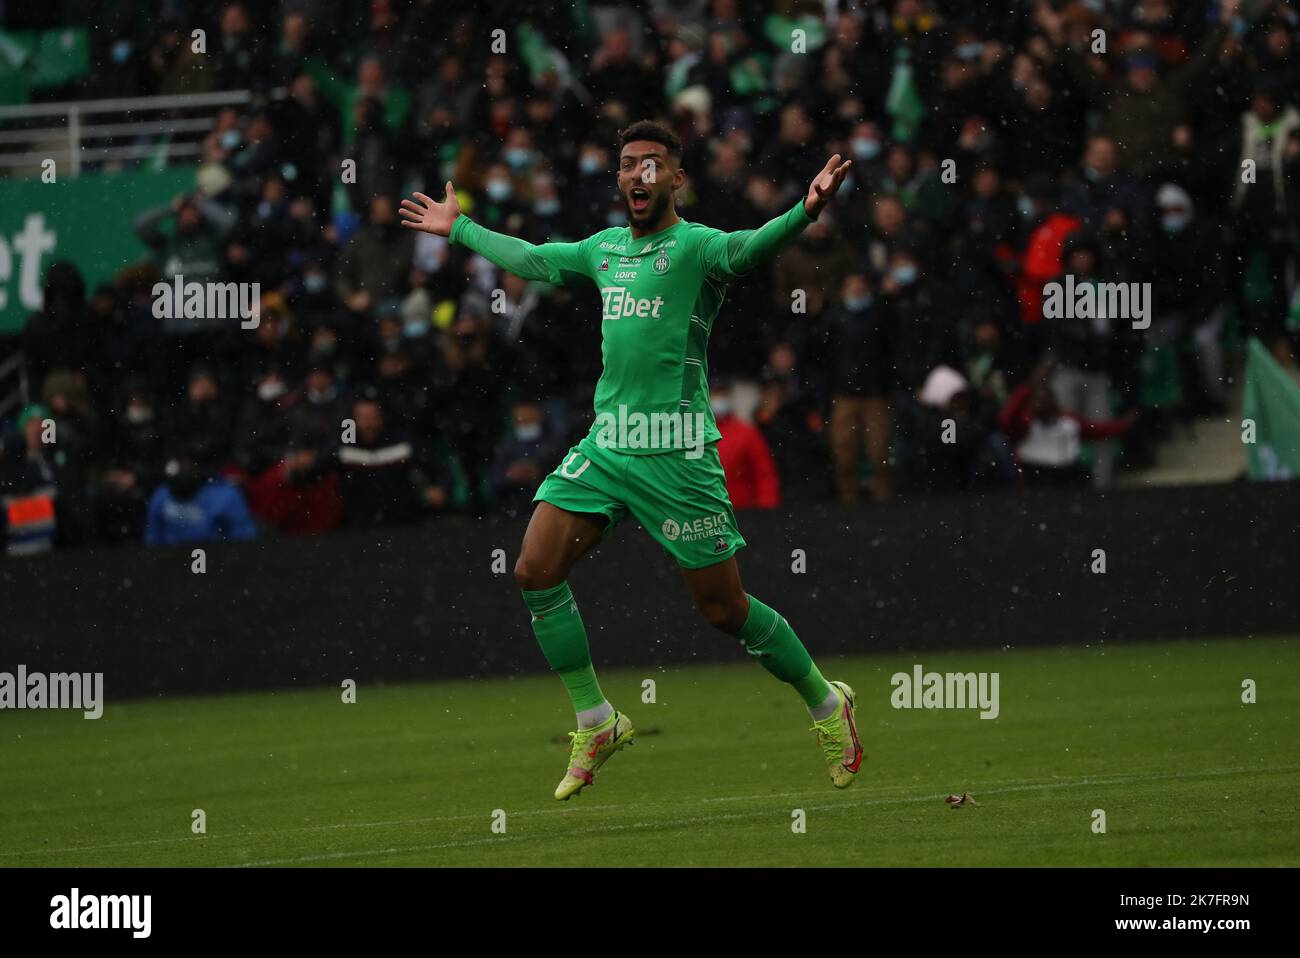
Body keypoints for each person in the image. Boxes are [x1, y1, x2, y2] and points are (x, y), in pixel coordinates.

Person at [400, 120, 863, 799]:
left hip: (678, 454)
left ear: (677, 178)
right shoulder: (604, 249)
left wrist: (805, 210)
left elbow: (749, 248)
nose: (638, 174)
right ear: (618, 179)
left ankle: (828, 704)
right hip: (610, 444)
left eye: (653, 164)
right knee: (534, 568)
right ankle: (596, 718)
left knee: (723, 609)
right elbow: (532, 259)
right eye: (627, 163)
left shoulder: (698, 246)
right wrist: (460, 228)